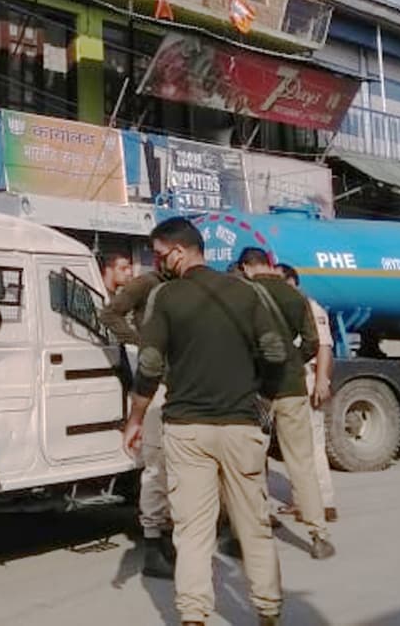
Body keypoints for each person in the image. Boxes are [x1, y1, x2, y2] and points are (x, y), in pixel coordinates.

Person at [123, 217, 287, 626]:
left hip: (186, 429)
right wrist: (263, 399)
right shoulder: (247, 292)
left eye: (160, 255)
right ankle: (268, 611)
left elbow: (149, 364)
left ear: (179, 251)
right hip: (241, 426)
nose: (157, 263)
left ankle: (194, 617)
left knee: (192, 532)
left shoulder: (166, 298)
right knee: (254, 526)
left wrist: (136, 418)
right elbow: (275, 352)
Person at [237, 248, 334, 560]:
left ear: (245, 267)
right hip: (292, 387)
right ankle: (319, 535)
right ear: (268, 264)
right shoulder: (297, 297)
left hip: (257, 391)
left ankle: (255, 528)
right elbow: (311, 342)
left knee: (251, 461)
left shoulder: (243, 293)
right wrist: (292, 362)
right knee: (301, 462)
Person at [100, 264, 172, 578]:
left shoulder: (185, 285)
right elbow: (111, 313)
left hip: (180, 383)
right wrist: (141, 343)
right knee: (156, 464)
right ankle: (155, 544)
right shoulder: (146, 283)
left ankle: (168, 536)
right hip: (156, 382)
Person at [279, 263, 338, 523]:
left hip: (306, 378)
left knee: (311, 443)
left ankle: (322, 503)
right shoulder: (286, 306)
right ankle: (305, 501)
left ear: (293, 282)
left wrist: (322, 381)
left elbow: (323, 346)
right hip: (292, 380)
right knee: (296, 445)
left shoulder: (309, 307)